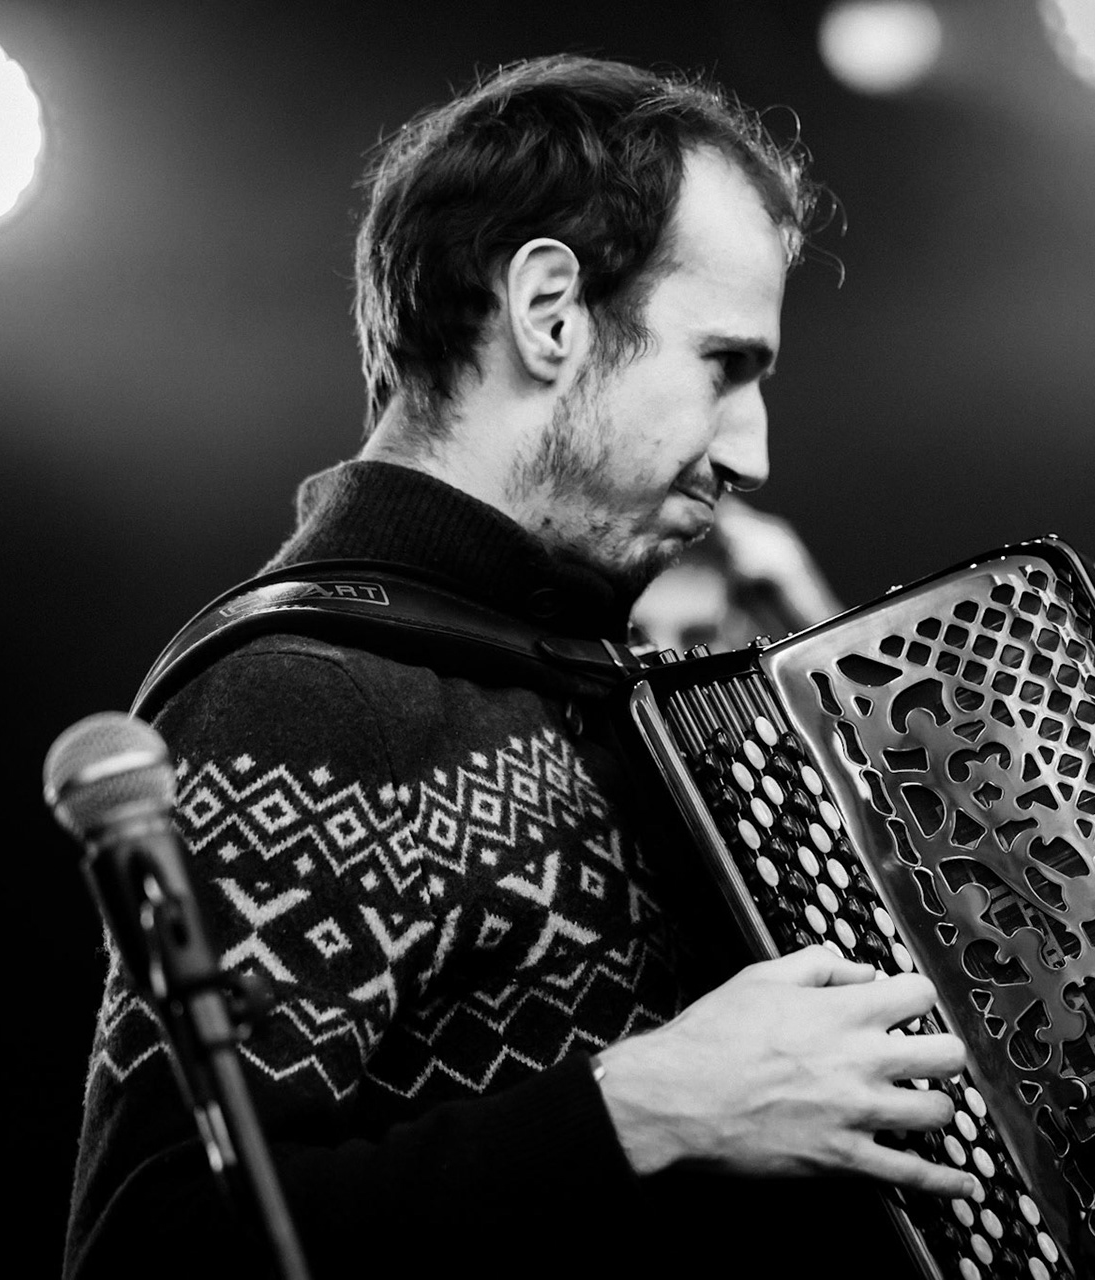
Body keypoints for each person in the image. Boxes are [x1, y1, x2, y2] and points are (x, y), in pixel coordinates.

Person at [64, 54, 972, 1278]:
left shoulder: (619, 680)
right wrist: (639, 1112)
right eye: (724, 364)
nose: (752, 449)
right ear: (550, 312)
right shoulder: (302, 697)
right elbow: (152, 1247)